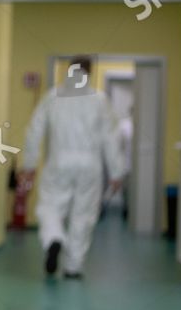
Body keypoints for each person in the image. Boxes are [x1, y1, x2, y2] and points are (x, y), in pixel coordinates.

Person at [19, 55, 124, 278]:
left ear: (70, 70)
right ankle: (73, 267)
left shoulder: (52, 96)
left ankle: (53, 238)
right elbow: (111, 138)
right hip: (90, 165)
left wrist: (29, 164)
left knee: (49, 206)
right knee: (83, 215)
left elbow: (34, 130)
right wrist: (116, 172)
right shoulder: (100, 100)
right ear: (90, 72)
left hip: (58, 162)